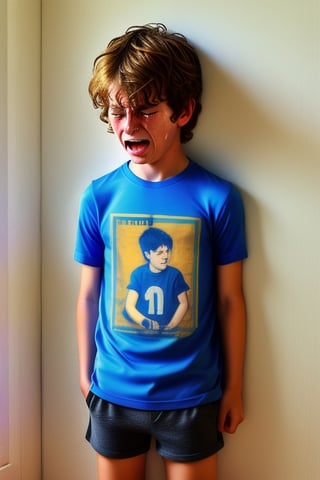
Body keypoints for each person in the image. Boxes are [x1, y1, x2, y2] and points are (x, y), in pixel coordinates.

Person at [75, 23, 247, 480]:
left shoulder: (217, 199)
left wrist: (233, 390)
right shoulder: (99, 198)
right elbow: (90, 293)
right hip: (113, 393)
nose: (129, 126)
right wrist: (84, 374)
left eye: (147, 111)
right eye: (118, 112)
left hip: (192, 396)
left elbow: (231, 300)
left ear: (183, 111)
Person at [124, 226, 190, 331]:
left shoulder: (175, 275)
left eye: (167, 251)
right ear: (147, 254)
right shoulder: (138, 274)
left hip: (167, 331)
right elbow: (129, 305)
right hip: (141, 331)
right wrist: (145, 321)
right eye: (159, 253)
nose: (165, 256)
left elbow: (184, 303)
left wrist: (171, 326)